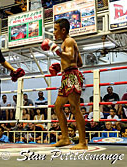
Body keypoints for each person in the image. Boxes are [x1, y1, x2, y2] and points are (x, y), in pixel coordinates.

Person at [41, 18, 87, 149]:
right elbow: (79, 63)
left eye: (55, 30)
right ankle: (65, 138)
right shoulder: (66, 43)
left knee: (74, 108)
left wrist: (56, 50)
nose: (54, 33)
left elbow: (71, 57)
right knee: (57, 107)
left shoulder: (69, 41)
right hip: (67, 75)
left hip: (72, 76)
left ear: (63, 30)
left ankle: (83, 143)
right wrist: (61, 66)